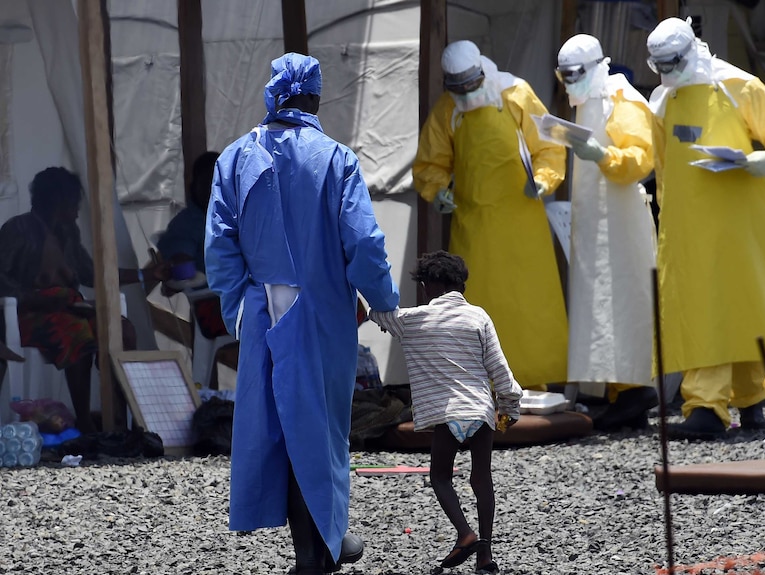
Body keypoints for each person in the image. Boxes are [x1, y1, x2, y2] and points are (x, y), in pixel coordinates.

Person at [205, 53, 400, 575]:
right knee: (322, 431)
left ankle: (313, 551)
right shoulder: (335, 158)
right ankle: (321, 550)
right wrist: (382, 301)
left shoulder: (235, 159)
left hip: (261, 313)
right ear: (313, 97)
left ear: (273, 95)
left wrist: (238, 310)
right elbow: (363, 240)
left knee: (280, 431)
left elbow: (220, 248)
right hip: (320, 314)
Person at [646, 17, 765, 439]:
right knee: (706, 307)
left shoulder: (738, 85)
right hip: (686, 225)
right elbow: (663, 167)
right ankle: (736, 401)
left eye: (672, 64)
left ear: (692, 49)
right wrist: (668, 216)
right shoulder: (662, 99)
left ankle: (718, 404)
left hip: (738, 219)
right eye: (659, 66)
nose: (667, 74)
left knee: (737, 305)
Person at [413, 40, 568, 390]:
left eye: (471, 86)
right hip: (474, 226)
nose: (466, 94)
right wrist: (437, 191)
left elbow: (549, 145)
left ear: (482, 73)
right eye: (458, 89)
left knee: (529, 305)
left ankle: (534, 381)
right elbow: (430, 162)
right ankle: (481, 385)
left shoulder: (516, 94)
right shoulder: (447, 110)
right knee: (478, 306)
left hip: (523, 223)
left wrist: (543, 180)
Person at [368, 250, 521, 575]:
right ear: (460, 284)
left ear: (426, 286)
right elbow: (501, 371)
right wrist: (508, 409)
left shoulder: (411, 320)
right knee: (482, 481)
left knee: (440, 477)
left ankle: (464, 534)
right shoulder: (479, 317)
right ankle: (485, 556)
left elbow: (377, 314)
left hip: (446, 415)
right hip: (480, 411)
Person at [0, 167, 168, 433]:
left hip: (68, 306)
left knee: (122, 330)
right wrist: (36, 300)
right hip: (27, 313)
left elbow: (91, 274)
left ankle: (120, 418)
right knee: (76, 332)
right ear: (59, 201)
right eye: (74, 203)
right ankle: (86, 423)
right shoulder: (18, 230)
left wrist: (145, 274)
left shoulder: (68, 232)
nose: (78, 210)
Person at [555, 34, 658, 431]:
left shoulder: (621, 97)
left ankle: (634, 389)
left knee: (623, 302)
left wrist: (602, 155)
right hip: (597, 222)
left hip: (620, 221)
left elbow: (641, 158)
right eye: (564, 76)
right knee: (600, 304)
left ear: (598, 66)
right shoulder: (589, 101)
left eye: (575, 74)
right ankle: (621, 395)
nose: (569, 83)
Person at [157, 151, 228, 342]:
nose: (213, 189)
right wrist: (178, 275)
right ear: (193, 186)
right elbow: (181, 267)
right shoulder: (187, 224)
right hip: (216, 310)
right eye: (207, 183)